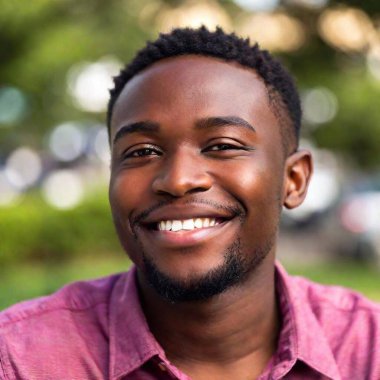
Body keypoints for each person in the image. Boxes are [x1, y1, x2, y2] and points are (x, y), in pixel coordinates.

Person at [0, 26, 379, 380]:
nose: (178, 180)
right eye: (142, 151)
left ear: (293, 180)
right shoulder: (20, 359)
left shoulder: (367, 351)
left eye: (222, 146)